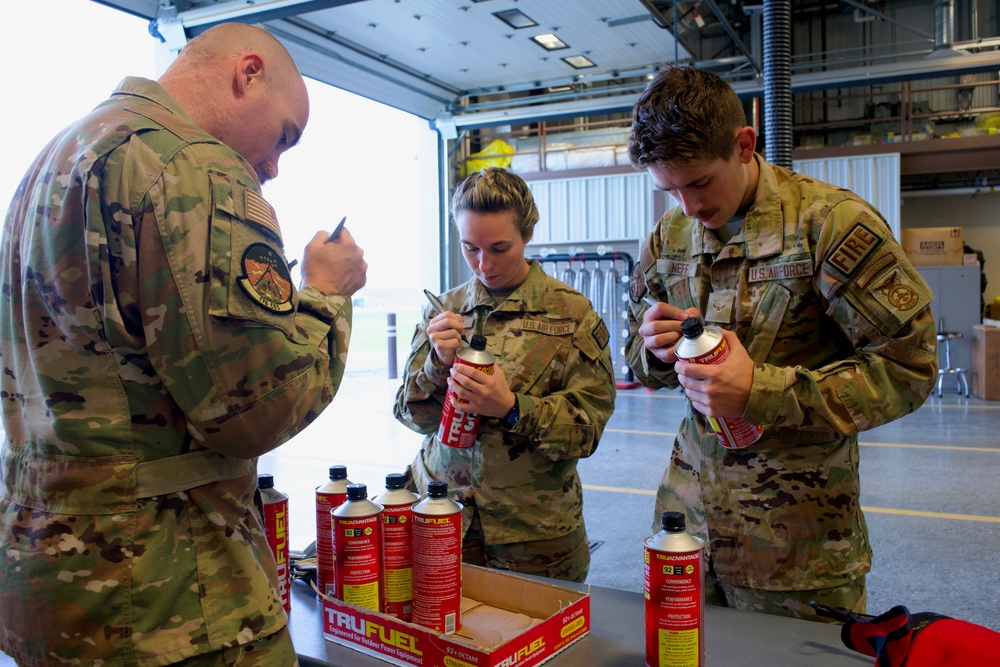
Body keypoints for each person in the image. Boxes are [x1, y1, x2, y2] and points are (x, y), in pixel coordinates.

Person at [0, 23, 366, 666]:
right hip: (171, 599)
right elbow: (257, 407)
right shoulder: (193, 166)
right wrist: (328, 296)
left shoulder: (55, 162)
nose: (275, 167)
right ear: (247, 73)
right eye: (284, 135)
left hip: (50, 588)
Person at [624, 66, 937, 621]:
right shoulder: (668, 236)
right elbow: (635, 354)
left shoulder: (830, 224)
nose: (688, 206)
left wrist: (761, 390)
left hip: (797, 545)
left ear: (744, 146)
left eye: (698, 182)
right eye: (668, 189)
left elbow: (909, 367)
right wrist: (652, 351)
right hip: (688, 531)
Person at [393, 167, 616, 583]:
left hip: (534, 536)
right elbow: (413, 417)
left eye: (499, 248)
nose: (484, 264)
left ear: (527, 235)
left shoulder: (571, 315)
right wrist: (436, 364)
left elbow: (587, 431)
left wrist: (513, 408)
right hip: (446, 521)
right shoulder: (443, 310)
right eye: (470, 248)